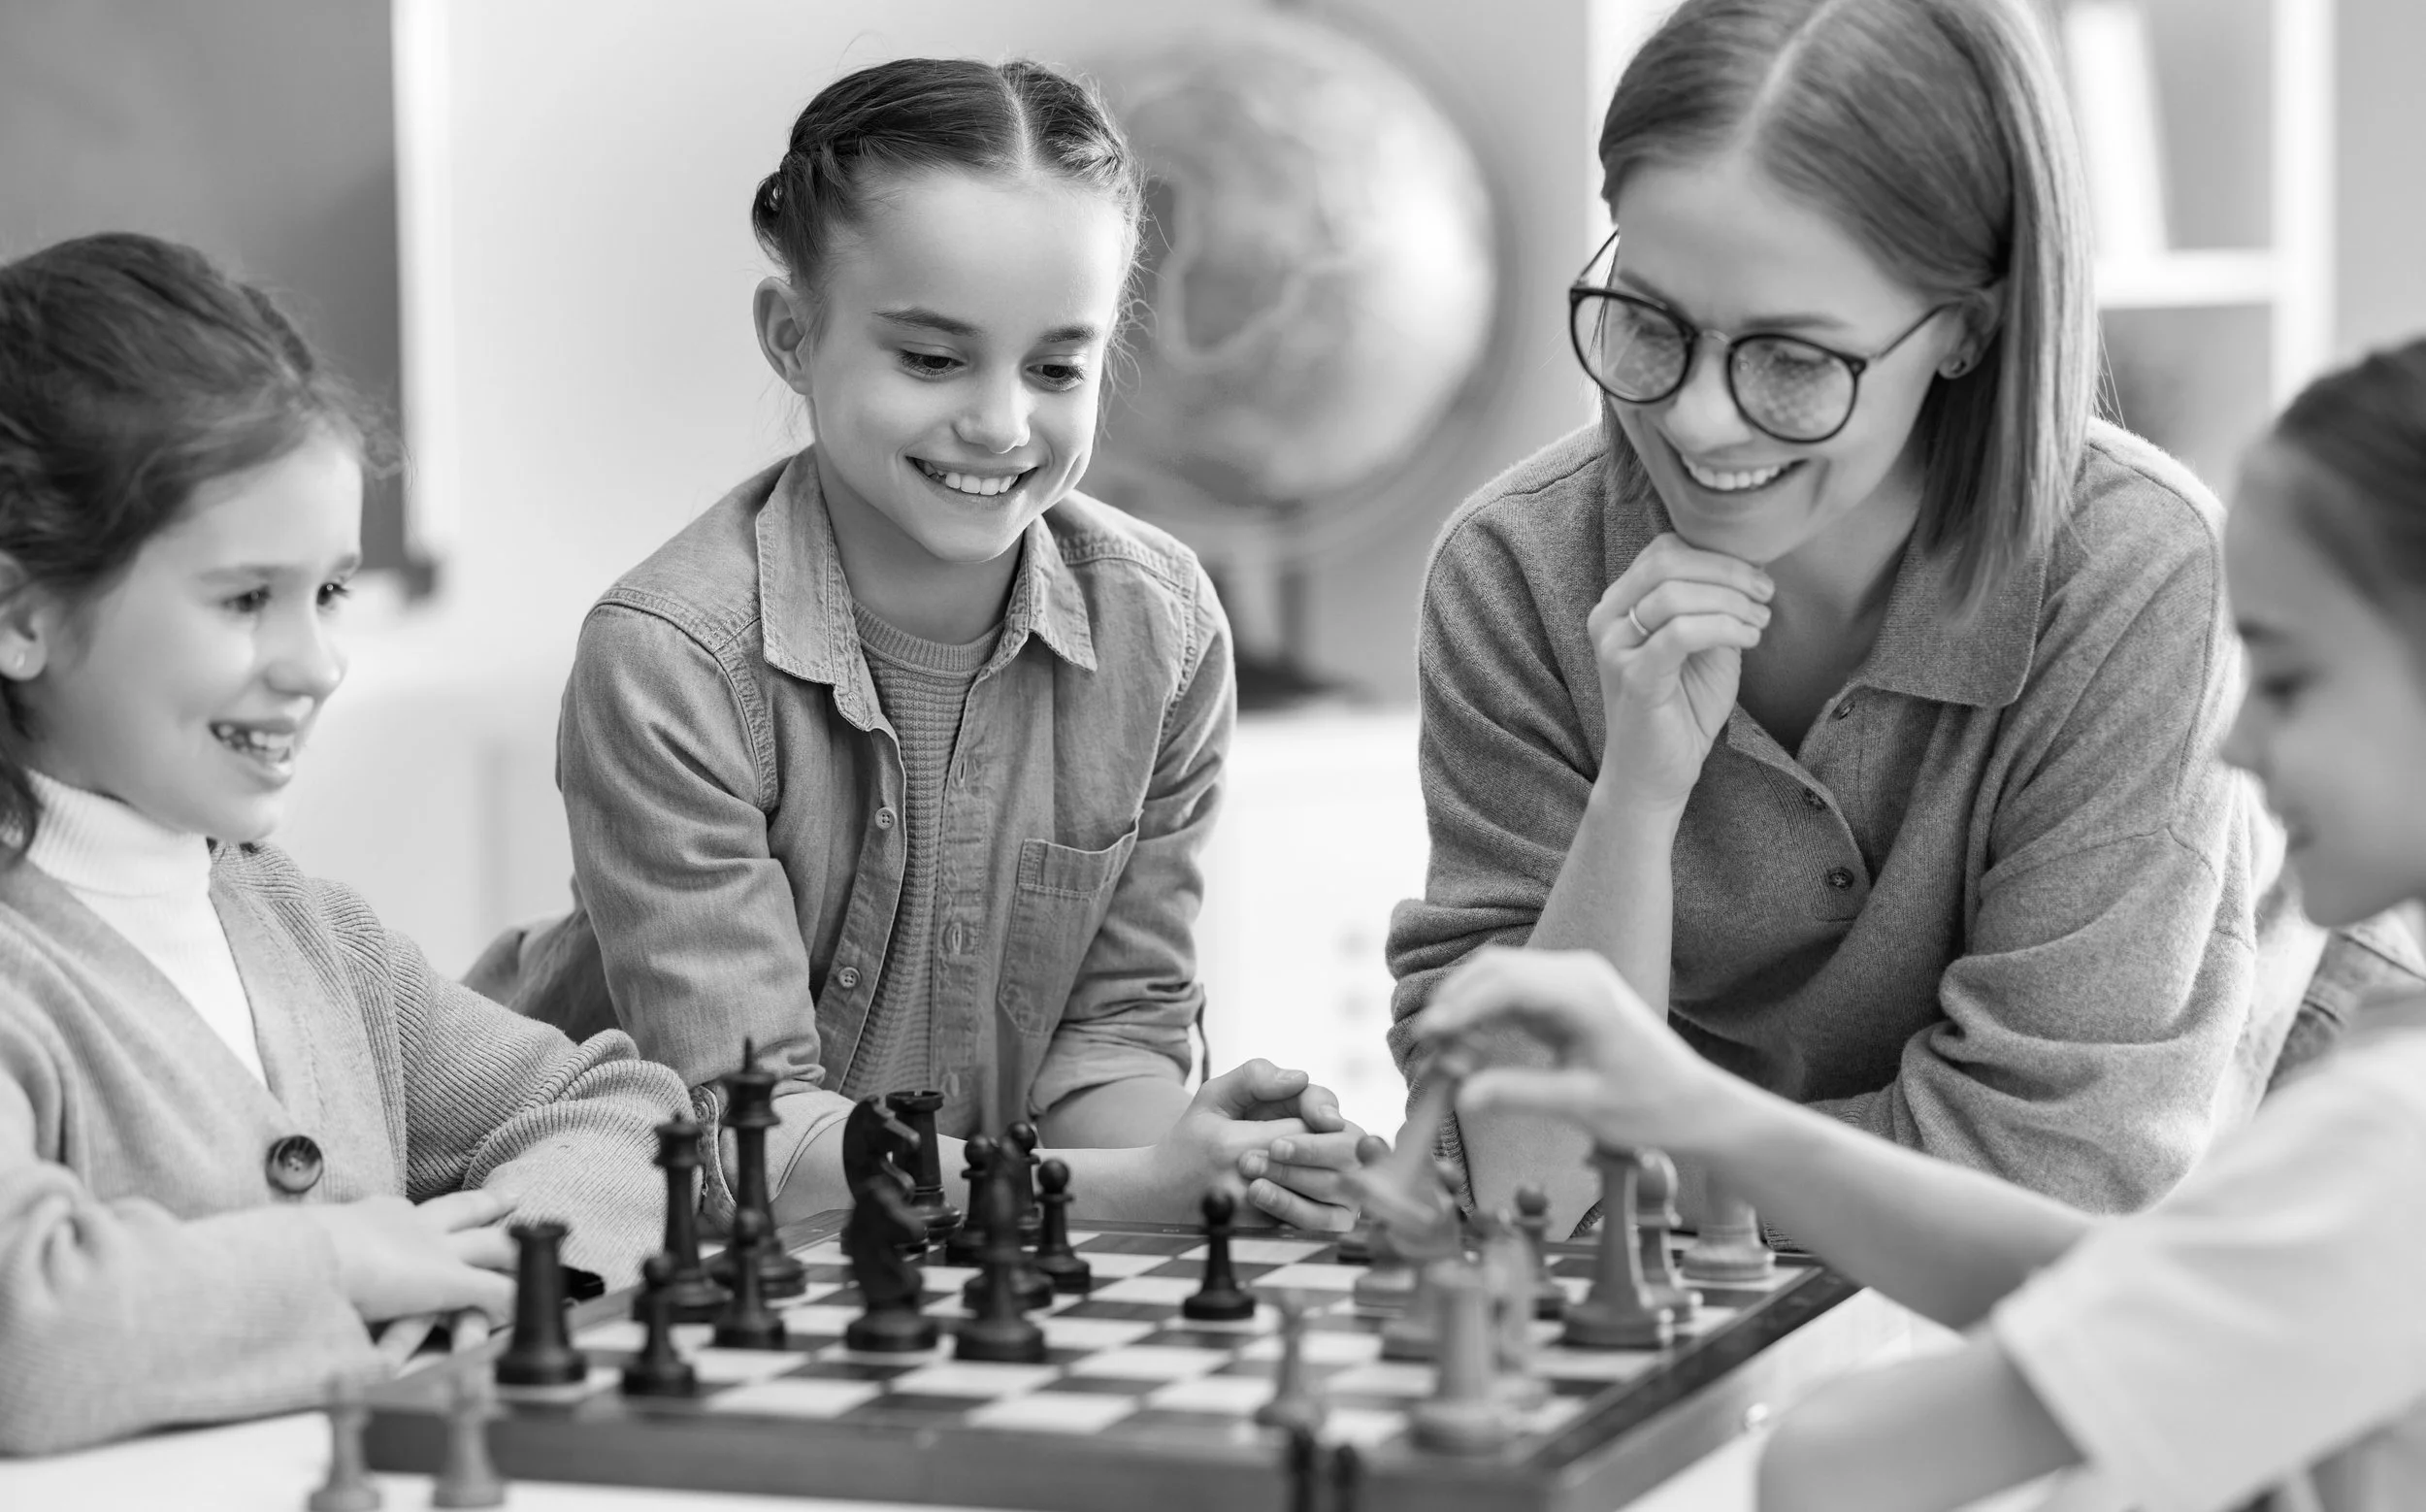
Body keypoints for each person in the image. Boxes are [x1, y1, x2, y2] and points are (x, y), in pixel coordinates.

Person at [1386, 0, 2418, 1234]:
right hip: (1762, 1274)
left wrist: (1642, 1178)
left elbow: (2049, 1172)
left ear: (1966, 331)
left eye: (1795, 358)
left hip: (2234, 1237)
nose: (1701, 420)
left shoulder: (2137, 575)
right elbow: (1521, 1170)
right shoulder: (1514, 570)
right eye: (1651, 323)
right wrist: (1634, 801)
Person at [1408, 336, 2426, 1511]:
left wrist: (1686, 1133)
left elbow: (1828, 1467)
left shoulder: (2385, 1138)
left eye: (2288, 680)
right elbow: (2127, 1280)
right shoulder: (2384, 1109)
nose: (2239, 744)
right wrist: (1699, 1117)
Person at [502, 57, 1372, 1231]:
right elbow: (749, 1141)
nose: (1002, 423)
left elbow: (1108, 1050)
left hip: (954, 1255)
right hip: (629, 1254)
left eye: (1058, 366)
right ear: (792, 337)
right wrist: (1125, 1189)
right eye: (930, 358)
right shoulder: (668, 660)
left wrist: (1224, 1156)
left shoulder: (1161, 631)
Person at [0, 234, 691, 1456]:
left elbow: (625, 1111)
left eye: (327, 594)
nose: (317, 666)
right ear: (19, 616)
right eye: (242, 598)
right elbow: (27, 1329)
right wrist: (346, 1258)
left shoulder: (319, 937)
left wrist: (501, 1290)